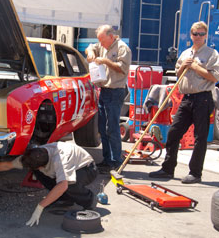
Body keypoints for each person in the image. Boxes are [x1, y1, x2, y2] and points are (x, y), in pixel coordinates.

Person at [149, 21, 219, 184]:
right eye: (195, 34)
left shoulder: (211, 54)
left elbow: (214, 77)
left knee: (200, 137)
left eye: (202, 34)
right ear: (191, 35)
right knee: (174, 132)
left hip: (203, 98)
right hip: (187, 98)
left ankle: (195, 173)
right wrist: (184, 67)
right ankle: (167, 168)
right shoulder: (186, 53)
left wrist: (195, 67)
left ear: (206, 35)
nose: (198, 37)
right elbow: (178, 72)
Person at [0, 141, 98, 226]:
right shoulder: (34, 154)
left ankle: (89, 200)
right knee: (40, 172)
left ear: (43, 165)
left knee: (69, 184)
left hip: (86, 169)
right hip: (59, 170)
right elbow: (7, 165)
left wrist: (40, 206)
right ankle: (65, 199)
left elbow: (63, 184)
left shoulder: (60, 159)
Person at [85, 25, 132, 172]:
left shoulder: (122, 48)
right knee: (103, 128)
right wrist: (91, 53)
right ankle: (107, 160)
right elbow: (90, 47)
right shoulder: (104, 44)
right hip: (104, 90)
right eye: (99, 40)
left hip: (115, 91)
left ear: (111, 36)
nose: (101, 44)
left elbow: (122, 69)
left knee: (112, 128)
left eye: (102, 40)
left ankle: (116, 161)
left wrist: (105, 61)